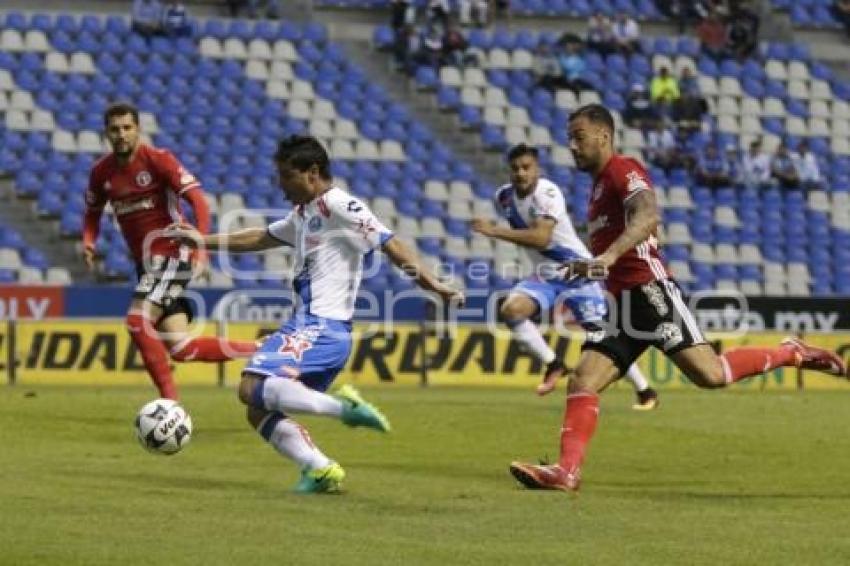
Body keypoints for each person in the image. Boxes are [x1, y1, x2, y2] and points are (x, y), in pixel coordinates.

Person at [509, 104, 846, 492]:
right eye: (570, 138)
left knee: (711, 375)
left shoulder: (624, 169)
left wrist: (609, 257)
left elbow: (648, 215)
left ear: (603, 135)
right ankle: (566, 472)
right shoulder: (598, 188)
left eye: (579, 137)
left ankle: (792, 352)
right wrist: (596, 264)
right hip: (620, 303)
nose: (572, 146)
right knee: (583, 378)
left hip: (650, 292)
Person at [170, 135, 463, 493]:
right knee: (258, 410)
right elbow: (259, 238)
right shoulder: (304, 214)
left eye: (285, 177)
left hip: (320, 326)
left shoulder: (340, 205)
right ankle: (321, 469)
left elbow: (391, 244)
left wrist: (434, 285)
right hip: (315, 328)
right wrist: (201, 240)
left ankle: (343, 408)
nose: (281, 188)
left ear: (312, 173)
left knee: (251, 386)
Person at [82, 103, 259, 400]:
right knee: (181, 348)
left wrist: (201, 247)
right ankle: (263, 349)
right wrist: (89, 241)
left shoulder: (158, 160)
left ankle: (170, 404)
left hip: (174, 252)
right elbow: (92, 212)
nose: (121, 134)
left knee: (137, 321)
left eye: (127, 127)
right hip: (146, 264)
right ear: (106, 133)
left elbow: (198, 201)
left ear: (138, 129)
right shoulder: (101, 173)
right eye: (115, 129)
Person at [471, 143, 658, 410]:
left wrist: (494, 231)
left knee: (602, 338)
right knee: (511, 310)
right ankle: (554, 364)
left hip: (576, 271)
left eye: (527, 167)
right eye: (515, 169)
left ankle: (645, 391)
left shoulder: (548, 193)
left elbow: (541, 237)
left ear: (537, 169)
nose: (521, 173)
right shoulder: (503, 197)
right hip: (546, 275)